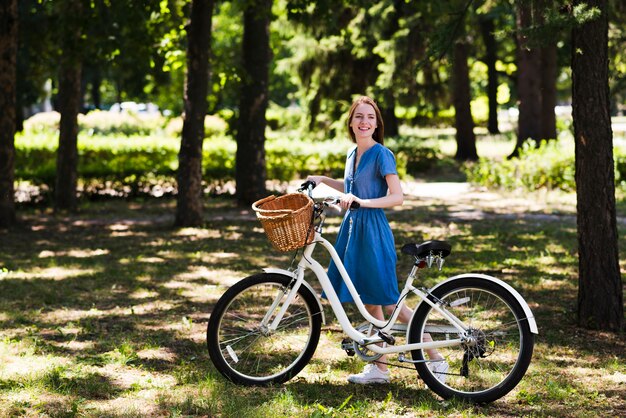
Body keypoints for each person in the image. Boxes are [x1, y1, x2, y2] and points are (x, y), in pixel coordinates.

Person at [308, 96, 448, 384]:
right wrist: (324, 179)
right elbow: (350, 187)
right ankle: (379, 369)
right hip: (351, 230)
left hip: (372, 231)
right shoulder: (352, 154)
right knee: (370, 301)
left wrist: (362, 201)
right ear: (351, 122)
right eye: (359, 116)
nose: (364, 122)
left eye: (370, 117)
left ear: (377, 124)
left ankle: (436, 358)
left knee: (390, 303)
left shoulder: (382, 153)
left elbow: (397, 197)